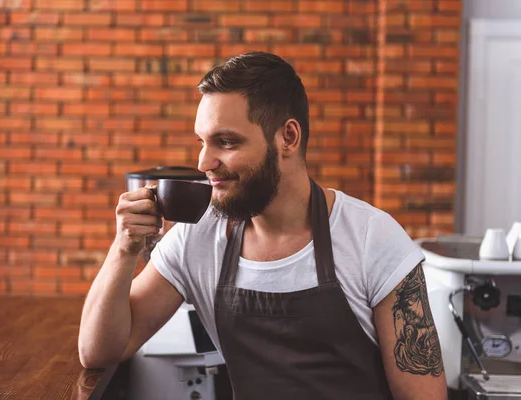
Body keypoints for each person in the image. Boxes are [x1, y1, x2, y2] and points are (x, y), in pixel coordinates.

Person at [78, 51, 447, 399]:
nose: (205, 162)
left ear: (288, 137)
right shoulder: (199, 237)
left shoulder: (371, 238)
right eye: (202, 143)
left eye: (225, 142)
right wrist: (124, 248)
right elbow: (98, 351)